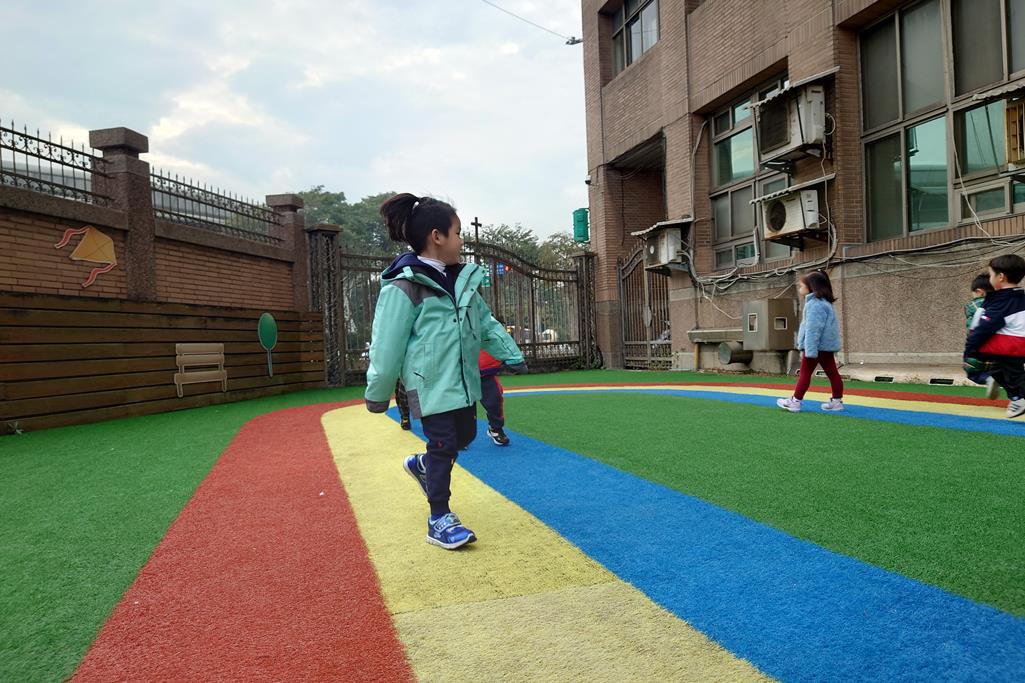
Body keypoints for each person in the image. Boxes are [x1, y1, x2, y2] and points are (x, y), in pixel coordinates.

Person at [364, 193, 526, 550]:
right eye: (458, 232)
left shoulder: (461, 282)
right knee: (443, 444)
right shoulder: (404, 286)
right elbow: (386, 344)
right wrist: (378, 391)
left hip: (462, 383)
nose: (462, 240)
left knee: (465, 435)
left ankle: (423, 466)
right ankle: (439, 517)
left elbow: (485, 323)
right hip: (429, 385)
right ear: (437, 236)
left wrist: (510, 354)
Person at [965, 254, 1025, 419]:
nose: (989, 278)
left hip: (1012, 347)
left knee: (1015, 376)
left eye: (991, 274)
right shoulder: (1018, 296)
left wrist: (971, 347)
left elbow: (986, 327)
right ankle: (1016, 398)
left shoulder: (1003, 301)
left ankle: (1019, 399)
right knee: (997, 371)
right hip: (1012, 346)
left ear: (1000, 277)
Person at [776, 270, 844, 413]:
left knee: (805, 374)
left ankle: (795, 402)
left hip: (815, 347)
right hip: (825, 348)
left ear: (811, 287)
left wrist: (810, 351)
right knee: (833, 374)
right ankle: (836, 402)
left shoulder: (815, 304)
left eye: (802, 285)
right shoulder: (825, 303)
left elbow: (813, 329)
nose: (799, 287)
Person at [963, 273, 999, 399]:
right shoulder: (1001, 305)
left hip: (979, 348)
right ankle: (1016, 396)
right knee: (1002, 371)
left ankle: (988, 379)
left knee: (973, 372)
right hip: (999, 348)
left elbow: (972, 328)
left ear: (980, 292)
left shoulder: (973, 306)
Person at [479, 348, 510, 445]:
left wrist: (516, 359)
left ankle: (495, 428)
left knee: (495, 400)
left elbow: (504, 341)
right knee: (460, 405)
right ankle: (460, 434)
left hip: (487, 371)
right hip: (461, 372)